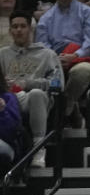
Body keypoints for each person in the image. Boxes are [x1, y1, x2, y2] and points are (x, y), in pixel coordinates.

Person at [34, 0, 90, 127]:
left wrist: (75, 56)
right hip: (54, 62)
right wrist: (55, 59)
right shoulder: (45, 18)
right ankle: (72, 112)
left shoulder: (88, 13)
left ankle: (66, 106)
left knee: (81, 72)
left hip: (83, 60)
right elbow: (42, 46)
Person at [0, 10, 61, 168]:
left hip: (37, 99)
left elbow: (57, 84)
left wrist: (28, 83)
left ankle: (39, 148)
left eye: (23, 26)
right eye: (15, 26)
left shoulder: (47, 54)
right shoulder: (2, 55)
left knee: (36, 94)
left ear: (30, 29)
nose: (19, 30)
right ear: (10, 31)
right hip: (8, 99)